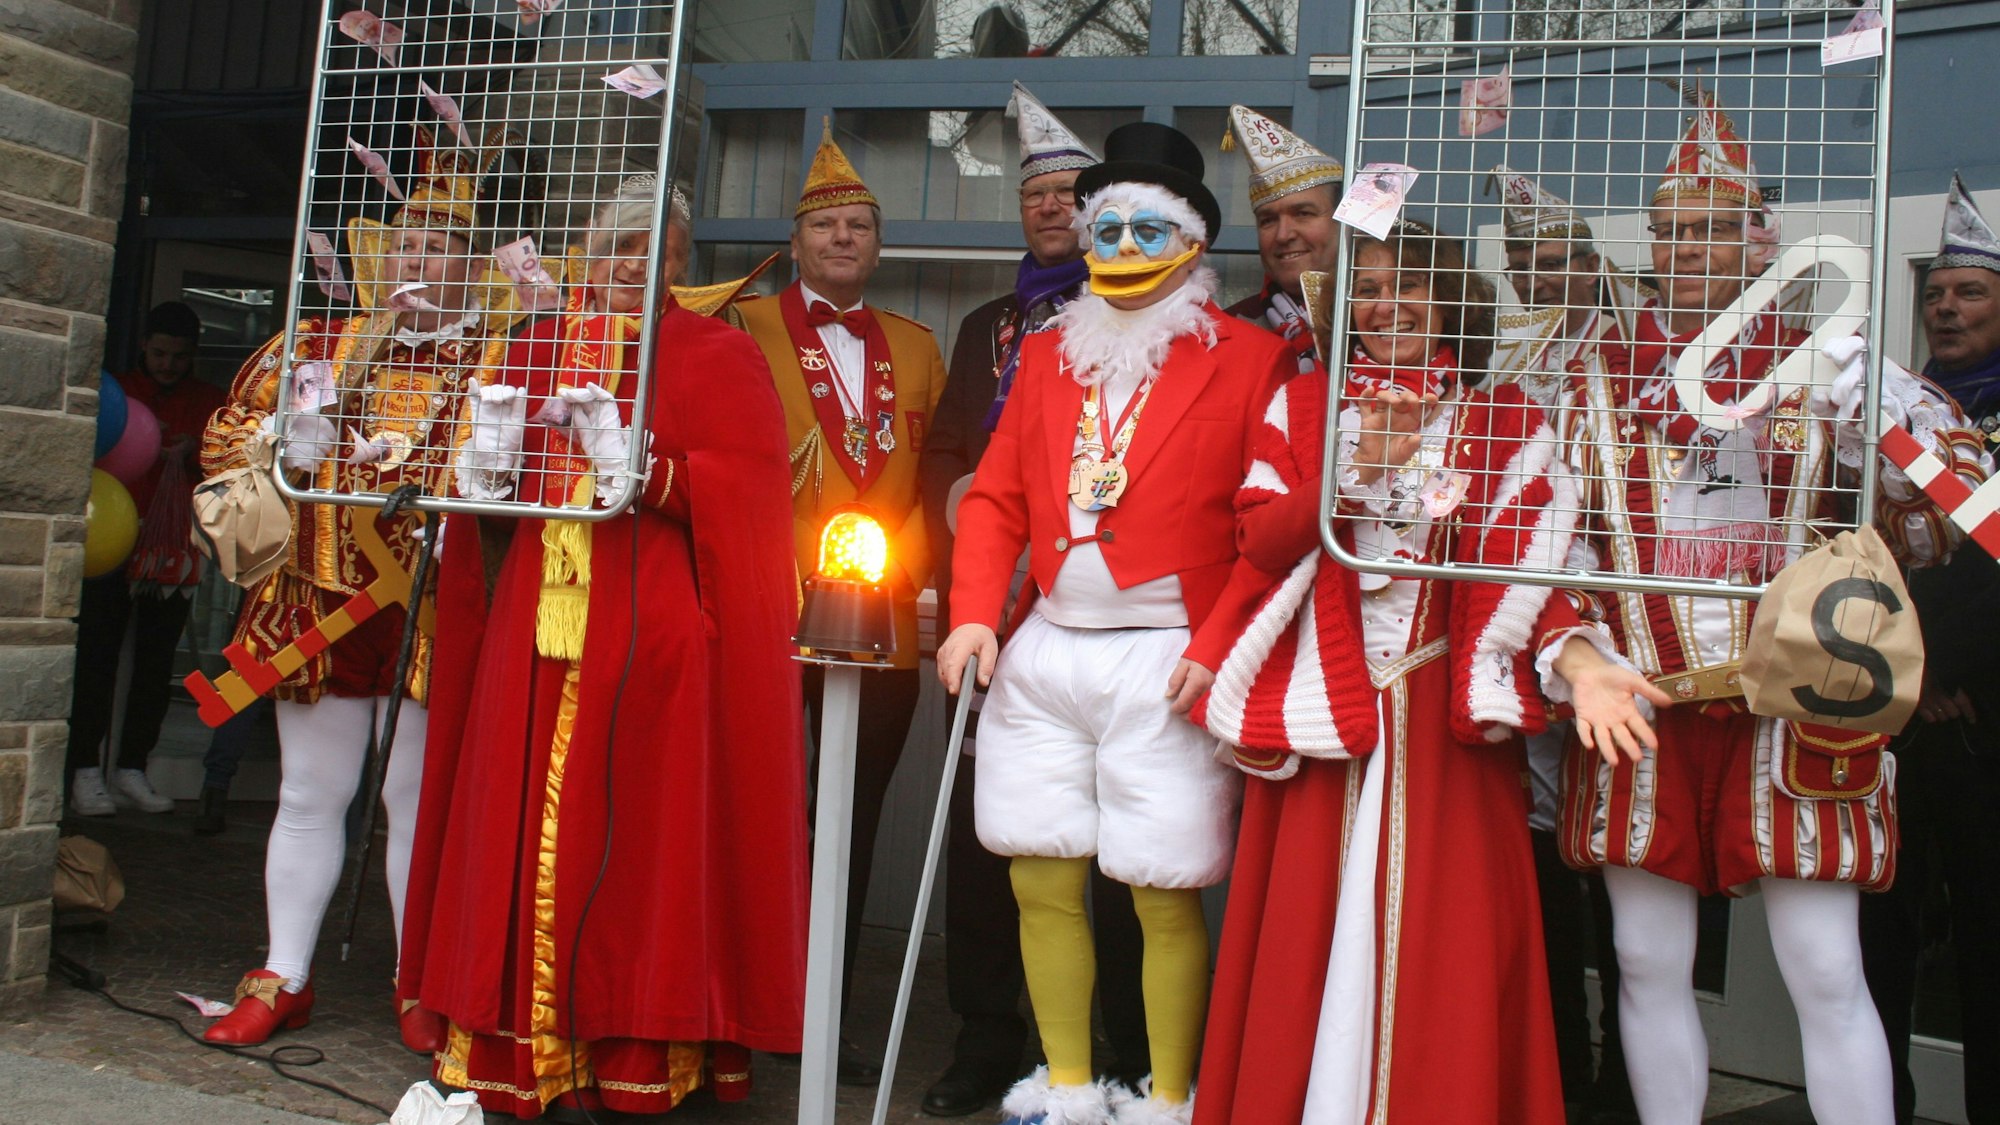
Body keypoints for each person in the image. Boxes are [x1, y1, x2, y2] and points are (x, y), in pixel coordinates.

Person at [1555, 91, 1984, 1125]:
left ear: (1765, 241)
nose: (1689, 249)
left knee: (1823, 968)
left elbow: (1955, 522)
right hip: (1642, 700)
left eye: (1712, 228)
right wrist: (1573, 657)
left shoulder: (1834, 366)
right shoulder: (1591, 377)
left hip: (1802, 702)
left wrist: (1880, 421)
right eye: (1671, 231)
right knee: (1644, 959)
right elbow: (1542, 546)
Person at [1191, 217, 1660, 1123]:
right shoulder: (1305, 404)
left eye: (1407, 283)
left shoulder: (1504, 419)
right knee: (1302, 946)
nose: (1385, 302)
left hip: (1442, 722)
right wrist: (1353, 471)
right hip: (1326, 711)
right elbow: (1260, 538)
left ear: (1451, 299)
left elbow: (1529, 572)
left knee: (1449, 956)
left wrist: (1584, 660)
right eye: (1365, 288)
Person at [396, 176, 808, 1118]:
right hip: (531, 626)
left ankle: (634, 1039)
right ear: (584, 251)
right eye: (615, 244)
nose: (631, 264)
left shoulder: (716, 351)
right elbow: (484, 510)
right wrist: (487, 462)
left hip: (656, 632)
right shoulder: (533, 343)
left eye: (651, 247)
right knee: (515, 815)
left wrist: (648, 469)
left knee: (642, 839)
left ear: (677, 260)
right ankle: (514, 1040)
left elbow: (749, 505)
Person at [936, 121, 1294, 1125]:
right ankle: (1061, 1087)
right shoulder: (1050, 354)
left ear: (1189, 244)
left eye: (1146, 230)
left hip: (1166, 649)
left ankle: (1168, 1096)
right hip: (1048, 644)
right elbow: (997, 499)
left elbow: (1264, 532)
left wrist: (1215, 647)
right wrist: (971, 615)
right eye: (1105, 232)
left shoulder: (1251, 359)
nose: (1122, 251)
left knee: (1159, 884)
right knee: (1037, 876)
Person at [197, 126, 524, 1047]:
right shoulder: (314, 344)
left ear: (473, 269)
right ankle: (283, 971)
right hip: (320, 598)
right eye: (407, 245)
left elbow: (544, 479)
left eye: (443, 248)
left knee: (413, 800)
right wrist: (278, 447)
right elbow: (221, 443)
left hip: (434, 606)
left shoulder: (505, 359)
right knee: (308, 792)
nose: (420, 260)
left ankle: (414, 977)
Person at [918, 83, 1148, 1117]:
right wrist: (962, 513)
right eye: (1037, 197)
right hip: (987, 613)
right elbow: (943, 455)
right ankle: (984, 1037)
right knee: (983, 842)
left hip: (1092, 613)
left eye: (1069, 195)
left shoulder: (1125, 318)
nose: (1051, 210)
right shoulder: (983, 327)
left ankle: (1123, 1051)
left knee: (1114, 849)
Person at [730, 122, 948, 1085]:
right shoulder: (741, 327)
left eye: (862, 226)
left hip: (885, 624)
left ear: (878, 241)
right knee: (758, 811)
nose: (846, 240)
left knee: (850, 823)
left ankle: (823, 1014)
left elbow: (937, 485)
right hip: (766, 614)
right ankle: (739, 1004)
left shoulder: (918, 346)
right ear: (798, 237)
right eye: (829, 227)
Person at [1486, 167, 1644, 1120]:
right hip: (1524, 630)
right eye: (1528, 266)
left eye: (1560, 263)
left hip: (1625, 638)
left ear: (1592, 263)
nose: (1546, 281)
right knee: (1545, 866)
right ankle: (1562, 1070)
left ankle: (1628, 1082)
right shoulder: (1496, 355)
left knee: (1632, 884)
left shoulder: (1638, 357)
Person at [1861, 172, 2000, 1125]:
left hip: (1986, 719)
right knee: (1878, 939)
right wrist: (1908, 670)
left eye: (1972, 292)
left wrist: (1945, 666)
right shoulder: (1890, 415)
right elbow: (1856, 550)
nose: (1946, 308)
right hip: (1893, 721)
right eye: (1936, 294)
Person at [66, 301, 223, 817]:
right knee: (95, 660)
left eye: (179, 355)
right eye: (159, 353)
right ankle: (85, 771)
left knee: (155, 666)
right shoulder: (120, 391)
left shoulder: (209, 403)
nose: (168, 364)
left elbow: (228, 466)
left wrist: (194, 449)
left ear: (193, 354)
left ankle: (132, 766)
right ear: (143, 347)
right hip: (111, 540)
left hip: (174, 550)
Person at [1219, 105, 1342, 369]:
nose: (1283, 235)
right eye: (1268, 220)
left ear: (1343, 221)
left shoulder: (1382, 316)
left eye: (1303, 213)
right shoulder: (1228, 330)